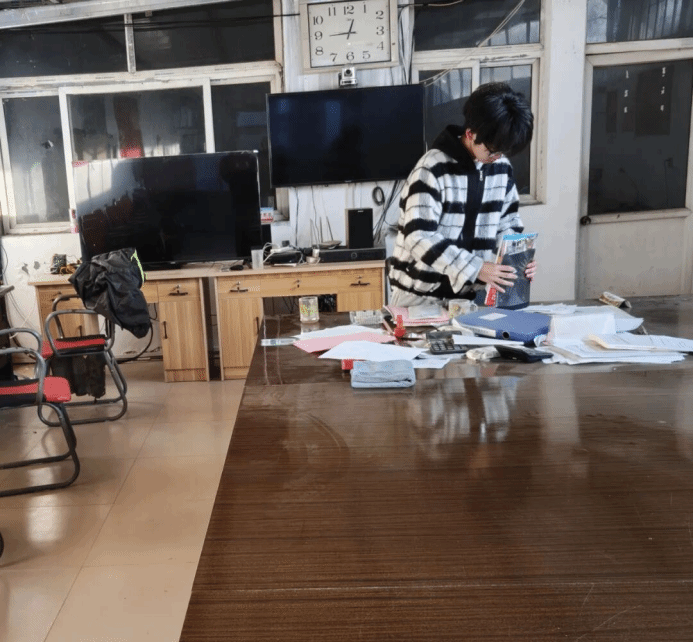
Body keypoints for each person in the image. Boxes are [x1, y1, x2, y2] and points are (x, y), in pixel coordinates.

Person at [388, 82, 536, 307]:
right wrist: (476, 268)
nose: (497, 157)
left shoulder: (501, 168)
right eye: (491, 150)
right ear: (470, 134)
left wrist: (517, 262)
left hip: (470, 299)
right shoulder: (432, 168)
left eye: (503, 151)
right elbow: (418, 236)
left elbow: (509, 225)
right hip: (419, 297)